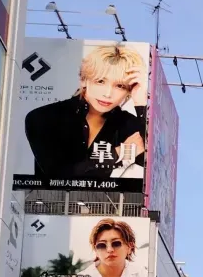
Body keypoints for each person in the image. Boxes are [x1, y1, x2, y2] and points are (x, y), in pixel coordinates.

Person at [23, 41, 147, 182]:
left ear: (128, 91)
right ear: (84, 80)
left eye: (120, 86)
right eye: (100, 81)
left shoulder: (126, 123)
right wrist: (119, 153)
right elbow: (58, 175)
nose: (108, 94)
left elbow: (153, 166)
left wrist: (141, 104)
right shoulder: (43, 117)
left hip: (104, 197)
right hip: (44, 196)